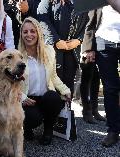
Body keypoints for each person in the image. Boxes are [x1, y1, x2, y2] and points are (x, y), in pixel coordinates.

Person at [19, 17, 71, 145]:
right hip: (27, 99)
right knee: (33, 118)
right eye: (25, 32)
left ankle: (48, 130)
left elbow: (53, 76)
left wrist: (65, 90)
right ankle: (27, 128)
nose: (29, 35)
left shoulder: (49, 51)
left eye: (33, 31)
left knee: (53, 98)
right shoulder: (17, 55)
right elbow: (11, 84)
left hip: (45, 97)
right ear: (21, 34)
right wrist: (22, 97)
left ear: (38, 33)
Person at [83, 7, 120, 147]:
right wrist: (89, 48)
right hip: (104, 42)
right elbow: (91, 21)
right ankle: (113, 130)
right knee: (110, 88)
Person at [37, 0, 88, 95]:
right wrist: (56, 40)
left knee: (69, 82)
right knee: (54, 81)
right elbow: (43, 20)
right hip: (53, 49)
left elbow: (89, 22)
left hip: (72, 49)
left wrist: (79, 40)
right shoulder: (47, 2)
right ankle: (54, 108)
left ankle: (67, 107)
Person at [79, 11, 107, 124]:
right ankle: (87, 111)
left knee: (96, 78)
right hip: (90, 43)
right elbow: (89, 24)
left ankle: (95, 110)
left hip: (104, 42)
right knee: (87, 77)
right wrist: (88, 49)